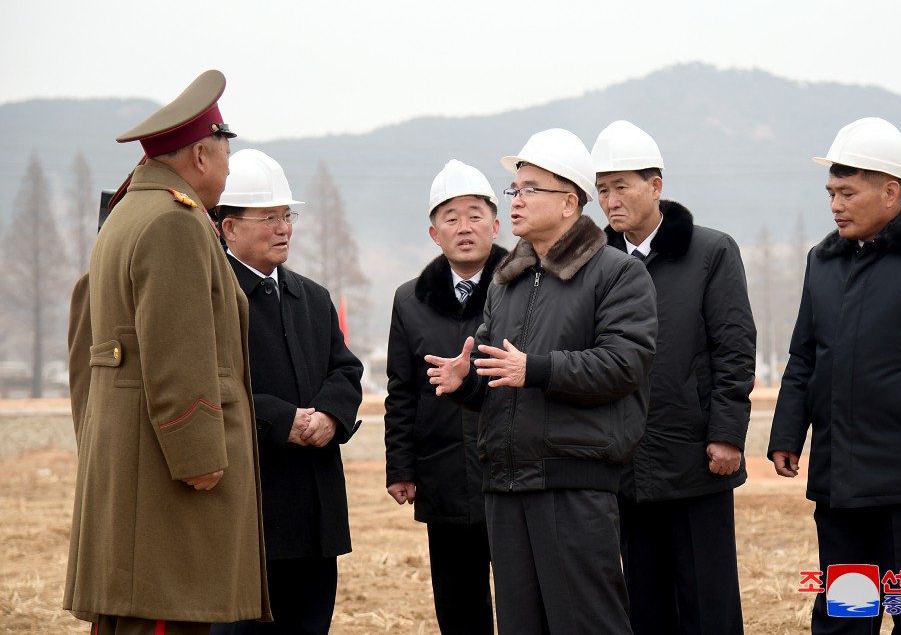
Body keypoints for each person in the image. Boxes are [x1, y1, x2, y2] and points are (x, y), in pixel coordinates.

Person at [426, 128, 657, 635]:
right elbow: (497, 374)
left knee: (587, 624)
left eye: (530, 188)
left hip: (573, 485)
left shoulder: (616, 274)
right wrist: (466, 380)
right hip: (505, 485)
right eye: (514, 189)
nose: (516, 200)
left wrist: (537, 369)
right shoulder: (507, 280)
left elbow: (625, 364)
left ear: (570, 202)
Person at [64, 70, 270, 634]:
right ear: (202, 154)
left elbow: (90, 346)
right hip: (164, 483)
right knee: (162, 620)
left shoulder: (130, 213)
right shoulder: (174, 223)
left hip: (133, 465)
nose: (229, 165)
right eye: (226, 151)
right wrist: (198, 454)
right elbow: (178, 352)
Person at [768, 117, 901, 635]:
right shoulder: (822, 261)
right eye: (830, 193)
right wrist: (786, 434)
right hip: (840, 477)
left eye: (847, 193)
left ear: (890, 192)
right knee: (847, 613)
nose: (835, 205)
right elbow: (803, 357)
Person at [592, 120, 756, 634]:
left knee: (706, 598)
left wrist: (726, 433)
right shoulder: (594, 264)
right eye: (602, 189)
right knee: (643, 600)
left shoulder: (710, 253)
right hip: (621, 460)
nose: (611, 199)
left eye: (622, 186)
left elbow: (733, 347)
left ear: (656, 186)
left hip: (694, 455)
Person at [209, 149, 364, 635]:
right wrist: (283, 421)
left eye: (286, 215)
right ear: (227, 228)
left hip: (316, 513)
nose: (283, 228)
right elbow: (211, 387)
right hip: (250, 512)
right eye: (268, 217)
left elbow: (346, 369)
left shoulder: (311, 297)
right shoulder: (211, 298)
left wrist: (331, 417)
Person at [385, 159, 506, 634]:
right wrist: (401, 467)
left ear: (496, 225)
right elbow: (401, 388)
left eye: (475, 215)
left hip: (512, 468)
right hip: (444, 470)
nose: (464, 227)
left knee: (523, 593)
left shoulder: (527, 287)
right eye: (450, 217)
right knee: (458, 603)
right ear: (434, 233)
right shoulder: (409, 300)